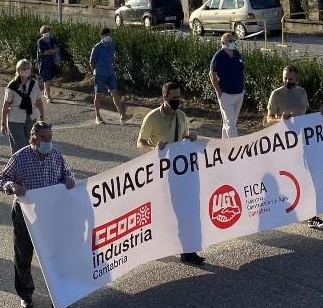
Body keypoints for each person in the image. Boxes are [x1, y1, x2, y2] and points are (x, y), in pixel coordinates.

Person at [0, 121, 77, 308]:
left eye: (50, 137)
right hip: (25, 213)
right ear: (33, 138)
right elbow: (0, 179)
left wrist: (69, 179)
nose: (48, 141)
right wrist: (12, 187)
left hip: (51, 213)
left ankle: (60, 299)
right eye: (43, 137)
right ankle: (26, 295)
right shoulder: (20, 157)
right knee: (23, 254)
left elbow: (66, 172)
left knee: (56, 256)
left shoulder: (56, 155)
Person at [136, 82, 205, 266]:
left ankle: (188, 250)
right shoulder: (152, 118)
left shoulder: (181, 116)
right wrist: (153, 149)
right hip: (161, 172)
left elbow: (183, 139)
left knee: (187, 211)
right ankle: (161, 246)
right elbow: (140, 143)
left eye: (178, 98)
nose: (177, 101)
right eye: (173, 98)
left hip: (180, 172)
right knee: (166, 212)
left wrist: (190, 138)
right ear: (164, 98)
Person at [266, 65, 323, 229]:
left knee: (310, 178)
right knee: (291, 180)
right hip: (285, 144)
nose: (287, 82)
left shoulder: (301, 92)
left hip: (304, 142)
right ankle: (282, 212)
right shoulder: (277, 94)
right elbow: (268, 119)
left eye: (291, 79)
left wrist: (321, 112)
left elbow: (306, 111)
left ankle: (312, 216)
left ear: (297, 79)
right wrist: (281, 121)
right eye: (285, 78)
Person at [1, 59, 45, 153]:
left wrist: (42, 117)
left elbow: (39, 102)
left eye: (28, 68)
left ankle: (27, 164)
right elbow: (6, 105)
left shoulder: (34, 84)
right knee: (20, 145)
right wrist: (3, 123)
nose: (27, 70)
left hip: (31, 117)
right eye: (24, 68)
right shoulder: (12, 86)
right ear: (18, 70)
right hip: (15, 118)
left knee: (31, 143)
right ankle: (18, 164)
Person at [208, 32, 245, 138]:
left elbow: (241, 70)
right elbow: (212, 74)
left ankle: (225, 144)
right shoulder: (218, 56)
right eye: (230, 41)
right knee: (231, 124)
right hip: (226, 95)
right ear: (223, 42)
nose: (233, 43)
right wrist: (219, 91)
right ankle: (236, 148)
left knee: (230, 122)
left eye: (233, 40)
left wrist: (243, 86)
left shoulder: (237, 53)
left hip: (239, 93)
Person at [89, 27, 128, 124]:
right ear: (101, 37)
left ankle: (122, 115)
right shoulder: (96, 47)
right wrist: (94, 71)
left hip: (110, 73)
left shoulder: (112, 45)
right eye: (106, 35)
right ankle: (98, 117)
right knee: (98, 96)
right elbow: (91, 62)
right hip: (100, 74)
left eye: (109, 35)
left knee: (115, 94)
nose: (108, 37)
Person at [36, 25, 60, 103]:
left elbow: (58, 48)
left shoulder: (52, 40)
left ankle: (46, 92)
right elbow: (44, 52)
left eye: (48, 31)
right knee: (46, 79)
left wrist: (50, 51)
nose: (47, 33)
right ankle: (48, 96)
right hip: (44, 62)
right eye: (45, 31)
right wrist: (53, 50)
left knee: (51, 79)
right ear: (42, 32)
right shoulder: (40, 41)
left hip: (52, 61)